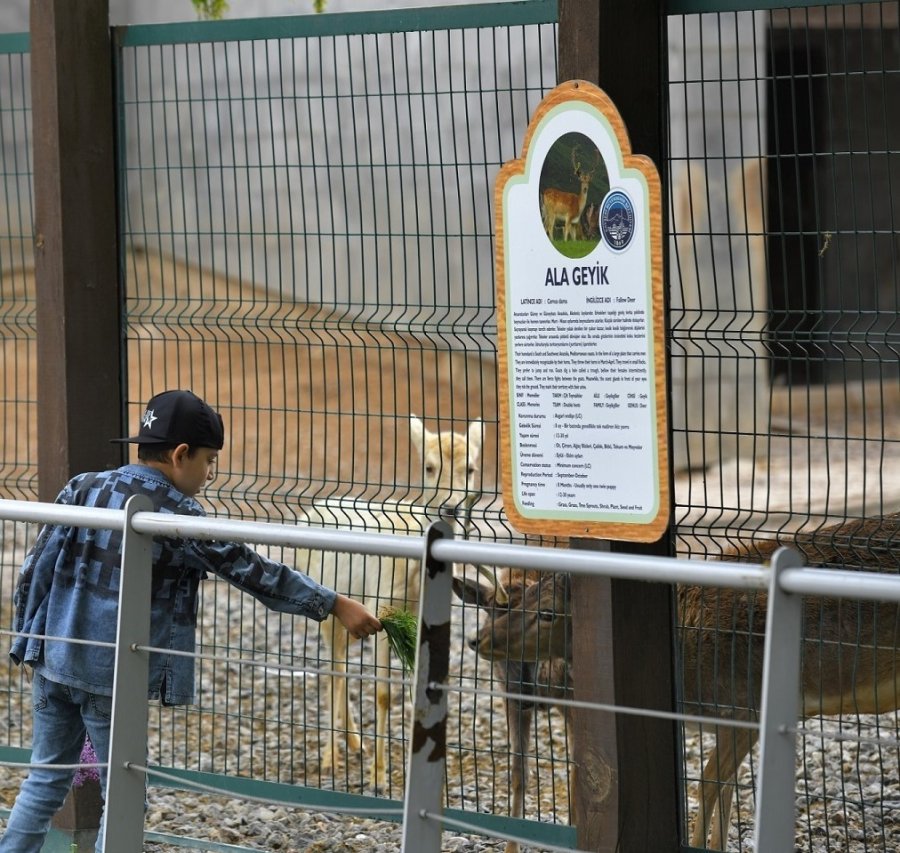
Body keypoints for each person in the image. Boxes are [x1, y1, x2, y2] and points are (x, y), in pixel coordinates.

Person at [0, 389, 382, 852]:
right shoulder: (178, 514)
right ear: (181, 455)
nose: (210, 473)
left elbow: (36, 567)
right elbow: (254, 572)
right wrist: (333, 603)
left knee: (44, 780)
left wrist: (26, 639)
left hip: (54, 660)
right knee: (124, 795)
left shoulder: (83, 487)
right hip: (111, 677)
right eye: (208, 461)